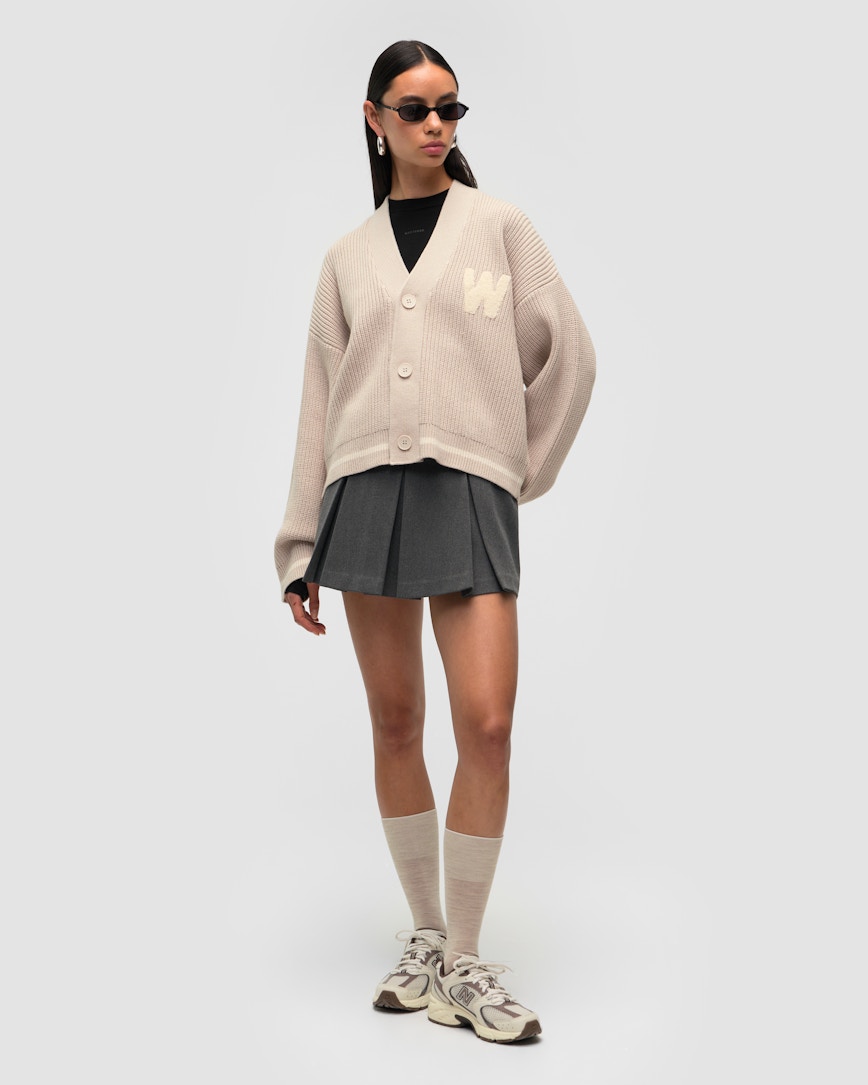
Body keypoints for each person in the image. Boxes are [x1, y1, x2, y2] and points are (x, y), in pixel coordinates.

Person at [274, 40, 595, 1044]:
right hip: (364, 490)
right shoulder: (346, 258)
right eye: (413, 108)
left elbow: (570, 358)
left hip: (468, 493)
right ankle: (424, 938)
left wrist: (512, 468)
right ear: (373, 118)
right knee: (397, 722)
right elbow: (320, 401)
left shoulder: (499, 227)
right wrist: (299, 545)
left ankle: (463, 957)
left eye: (450, 108)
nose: (435, 125)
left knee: (487, 723)